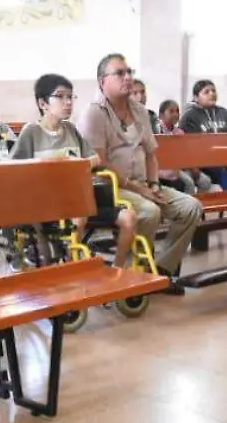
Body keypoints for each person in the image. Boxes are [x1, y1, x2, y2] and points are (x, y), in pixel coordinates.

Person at [76, 53, 203, 286]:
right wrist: (139, 189)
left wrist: (153, 184)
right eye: (120, 73)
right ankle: (134, 273)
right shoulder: (93, 113)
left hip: (143, 184)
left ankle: (160, 269)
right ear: (103, 82)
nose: (127, 77)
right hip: (109, 188)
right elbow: (101, 163)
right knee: (149, 211)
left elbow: (151, 154)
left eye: (129, 72)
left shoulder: (140, 111)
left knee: (191, 207)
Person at [14, 73, 138, 267]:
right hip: (49, 204)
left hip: (81, 199)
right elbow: (16, 169)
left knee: (129, 217)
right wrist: (56, 164)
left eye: (70, 97)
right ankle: (72, 267)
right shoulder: (31, 132)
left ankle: (117, 270)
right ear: (43, 103)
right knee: (79, 213)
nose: (68, 102)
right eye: (61, 96)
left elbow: (94, 158)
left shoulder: (71, 130)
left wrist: (73, 166)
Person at [154, 100, 206, 195]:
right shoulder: (157, 131)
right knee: (189, 183)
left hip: (178, 168)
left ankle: (199, 205)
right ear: (161, 115)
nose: (175, 114)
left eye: (177, 111)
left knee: (203, 181)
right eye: (171, 111)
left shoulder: (180, 132)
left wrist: (193, 167)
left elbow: (186, 153)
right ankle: (188, 207)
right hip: (162, 169)